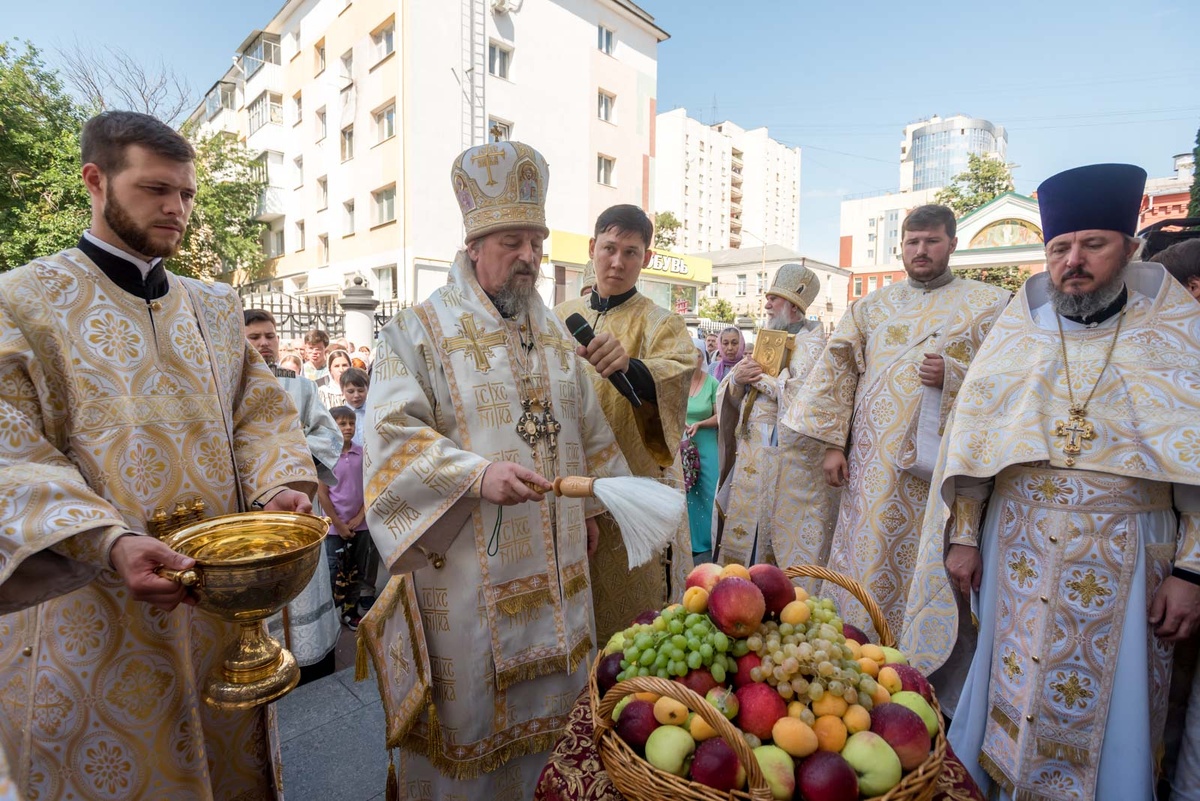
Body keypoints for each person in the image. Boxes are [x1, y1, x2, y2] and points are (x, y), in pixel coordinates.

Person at [0, 111, 317, 799]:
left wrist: (276, 488)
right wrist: (107, 539)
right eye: (155, 189)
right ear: (96, 180)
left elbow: (257, 412)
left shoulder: (215, 305)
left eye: (186, 193)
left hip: (219, 612)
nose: (177, 208)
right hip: (97, 614)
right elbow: (9, 450)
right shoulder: (20, 301)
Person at [900, 164, 1200, 800]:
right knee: (1011, 686)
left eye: (1093, 244)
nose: (1074, 262)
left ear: (1130, 248)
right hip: (1019, 548)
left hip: (1128, 554)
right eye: (1060, 247)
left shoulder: (1177, 335)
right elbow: (974, 451)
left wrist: (1192, 572)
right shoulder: (1020, 333)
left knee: (1116, 708)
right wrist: (964, 537)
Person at [357, 142, 630, 798]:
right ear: (474, 245)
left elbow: (587, 425)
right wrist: (476, 475)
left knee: (559, 734)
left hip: (559, 570)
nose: (529, 256)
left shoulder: (558, 334)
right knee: (472, 732)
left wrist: (590, 509)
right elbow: (389, 435)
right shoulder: (415, 332)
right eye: (513, 242)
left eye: (536, 242)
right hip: (466, 577)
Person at [789, 204, 1010, 648]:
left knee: (929, 563)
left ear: (952, 243)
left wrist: (955, 376)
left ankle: (919, 659)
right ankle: (857, 648)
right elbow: (838, 373)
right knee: (866, 556)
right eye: (913, 242)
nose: (921, 250)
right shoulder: (870, 307)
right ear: (902, 246)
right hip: (871, 468)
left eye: (932, 241)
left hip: (941, 475)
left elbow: (1006, 382)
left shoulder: (992, 305)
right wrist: (833, 445)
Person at [554, 203, 695, 641]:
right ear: (592, 248)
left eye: (631, 252)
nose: (617, 262)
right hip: (564, 488)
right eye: (609, 248)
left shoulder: (663, 324)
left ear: (646, 258)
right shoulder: (557, 317)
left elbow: (676, 376)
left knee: (629, 622)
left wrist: (632, 366)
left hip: (630, 491)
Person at [713, 265, 841, 578]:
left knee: (767, 529)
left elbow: (806, 397)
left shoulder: (813, 345)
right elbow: (731, 389)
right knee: (743, 524)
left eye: (774, 299)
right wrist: (738, 380)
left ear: (793, 306)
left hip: (782, 452)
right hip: (749, 446)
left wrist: (761, 381)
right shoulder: (767, 338)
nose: (767, 304)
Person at [244, 308, 343, 683]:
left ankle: (312, 662)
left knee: (306, 585)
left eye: (269, 336)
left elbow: (329, 437)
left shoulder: (302, 388)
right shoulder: (228, 389)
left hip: (300, 504)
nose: (264, 343)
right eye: (254, 337)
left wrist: (290, 460)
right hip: (255, 514)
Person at [319, 406, 373, 629]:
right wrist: (339, 524)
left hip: (361, 524)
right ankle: (331, 612)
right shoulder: (325, 456)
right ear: (331, 427)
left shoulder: (362, 454)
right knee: (335, 569)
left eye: (351, 423)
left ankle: (350, 611)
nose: (348, 427)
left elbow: (370, 487)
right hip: (335, 527)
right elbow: (322, 494)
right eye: (342, 424)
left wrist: (360, 517)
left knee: (357, 569)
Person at [684, 341, 719, 563]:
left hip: (706, 445)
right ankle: (690, 540)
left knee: (708, 491)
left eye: (696, 354)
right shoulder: (679, 382)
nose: (692, 359)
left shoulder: (713, 383)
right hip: (683, 444)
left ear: (703, 358)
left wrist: (701, 424)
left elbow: (720, 416)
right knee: (687, 492)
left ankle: (710, 540)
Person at [340, 366, 370, 446]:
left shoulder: (374, 413)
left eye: (361, 391)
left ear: (368, 389)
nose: (356, 395)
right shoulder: (339, 416)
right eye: (351, 391)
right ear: (342, 391)